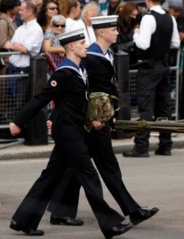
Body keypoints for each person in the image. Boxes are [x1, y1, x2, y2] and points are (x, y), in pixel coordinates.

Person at [8, 29, 133, 239]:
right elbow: (41, 98)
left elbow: (77, 102)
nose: (86, 46)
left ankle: (23, 220)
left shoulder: (80, 69)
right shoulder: (64, 73)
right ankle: (110, 223)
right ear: (71, 47)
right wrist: (19, 122)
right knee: (89, 175)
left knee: (49, 177)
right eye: (83, 43)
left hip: (74, 129)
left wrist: (91, 118)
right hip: (67, 133)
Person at [47, 16, 159, 227]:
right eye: (113, 29)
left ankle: (60, 212)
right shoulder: (91, 57)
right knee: (107, 167)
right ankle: (132, 211)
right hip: (92, 122)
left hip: (97, 119)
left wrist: (112, 113)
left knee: (74, 167)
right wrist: (93, 118)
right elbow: (79, 91)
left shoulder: (107, 54)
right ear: (101, 32)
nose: (117, 33)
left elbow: (107, 90)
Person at [123, 0, 180, 158]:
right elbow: (176, 43)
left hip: (149, 66)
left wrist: (136, 34)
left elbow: (144, 44)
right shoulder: (170, 17)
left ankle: (141, 146)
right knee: (164, 107)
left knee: (146, 107)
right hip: (164, 65)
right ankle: (166, 144)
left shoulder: (148, 18)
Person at [4, 1, 43, 77]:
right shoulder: (20, 28)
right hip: (12, 67)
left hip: (24, 70)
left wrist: (13, 46)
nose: (19, 12)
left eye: (22, 10)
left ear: (30, 12)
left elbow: (25, 49)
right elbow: (8, 44)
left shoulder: (36, 29)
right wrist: (17, 46)